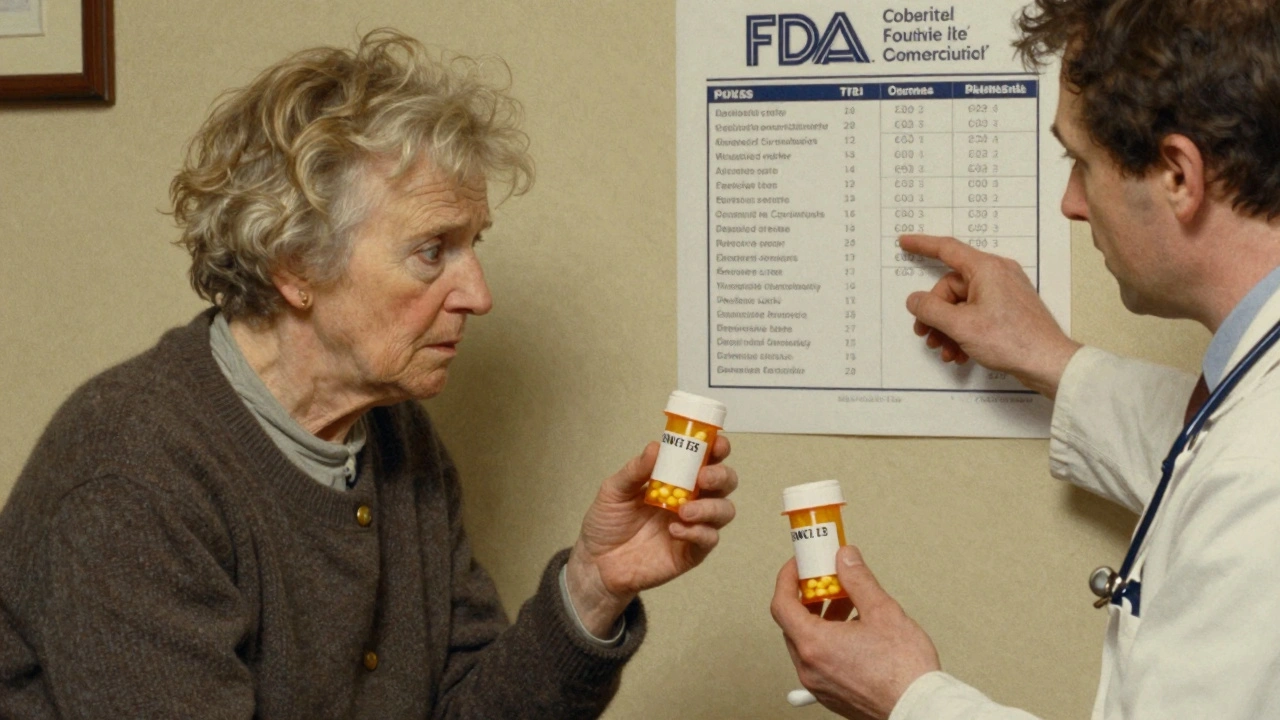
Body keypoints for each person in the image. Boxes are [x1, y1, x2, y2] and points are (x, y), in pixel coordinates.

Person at [0, 29, 738, 719]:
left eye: (473, 245)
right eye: (432, 251)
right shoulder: (132, 477)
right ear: (295, 266)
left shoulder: (395, 437)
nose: (479, 294)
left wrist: (593, 589)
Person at [771, 0, 1280, 717]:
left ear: (1177, 175)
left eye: (1081, 162)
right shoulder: (1255, 418)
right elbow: (1207, 454)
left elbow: (1237, 476)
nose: (1071, 203)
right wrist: (1045, 358)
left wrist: (906, 695)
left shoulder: (1262, 476)